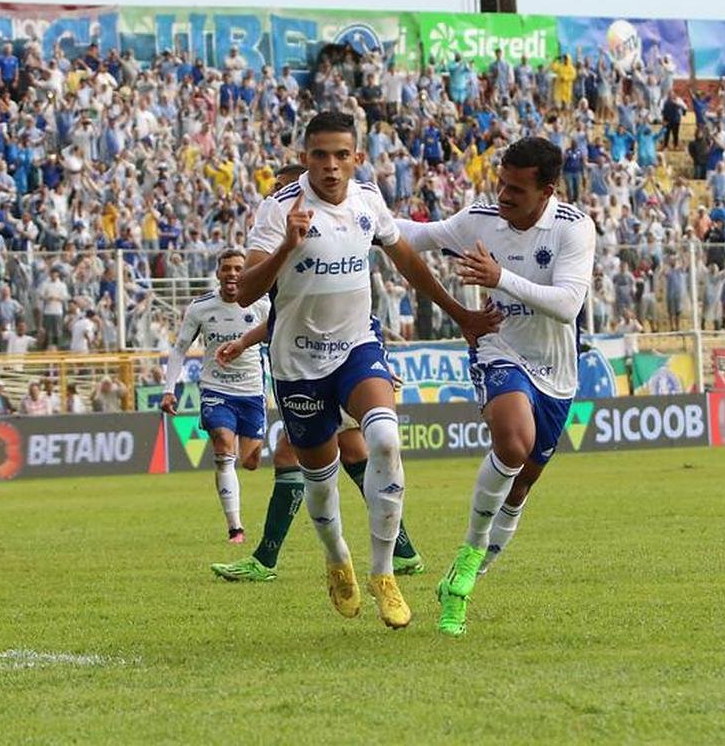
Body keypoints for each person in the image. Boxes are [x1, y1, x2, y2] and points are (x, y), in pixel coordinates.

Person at [239, 111, 499, 629]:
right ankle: (337, 556)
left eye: (341, 155)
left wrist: (461, 314)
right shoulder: (278, 210)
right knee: (319, 477)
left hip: (357, 345)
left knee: (384, 438)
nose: (331, 166)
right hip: (298, 362)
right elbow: (244, 291)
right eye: (319, 155)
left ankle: (384, 573)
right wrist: (288, 247)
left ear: (357, 157)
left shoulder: (368, 201)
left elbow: (408, 263)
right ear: (305, 158)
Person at [393, 137, 595, 636]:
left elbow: (569, 305)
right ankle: (466, 557)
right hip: (498, 347)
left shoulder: (573, 229)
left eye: (516, 190)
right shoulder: (479, 219)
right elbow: (414, 236)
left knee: (523, 482)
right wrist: (360, 217)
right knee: (512, 440)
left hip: (556, 370)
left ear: (547, 191)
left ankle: (465, 578)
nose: (503, 196)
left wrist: (500, 276)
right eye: (500, 183)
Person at [209, 164, 425, 582]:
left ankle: (268, 558)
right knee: (357, 454)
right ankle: (404, 551)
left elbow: (337, 303)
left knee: (298, 453)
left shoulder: (328, 222)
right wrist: (244, 342)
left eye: (281, 190)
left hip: (334, 359)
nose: (275, 199)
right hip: (309, 359)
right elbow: (287, 312)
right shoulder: (285, 235)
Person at [161, 249, 271, 543]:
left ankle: (236, 478)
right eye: (227, 269)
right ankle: (235, 528)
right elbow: (179, 348)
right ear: (218, 273)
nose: (232, 274)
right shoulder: (200, 308)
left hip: (252, 391)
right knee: (223, 446)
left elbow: (276, 339)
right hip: (215, 388)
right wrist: (169, 389)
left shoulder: (261, 304)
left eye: (238, 268)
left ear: (245, 272)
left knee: (250, 461)